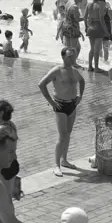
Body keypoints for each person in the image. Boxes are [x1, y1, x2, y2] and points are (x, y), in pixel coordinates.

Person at [37, 48, 85, 177]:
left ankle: (64, 160)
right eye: (70, 56)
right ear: (63, 57)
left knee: (68, 134)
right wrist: (51, 102)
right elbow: (41, 84)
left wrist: (80, 96)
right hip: (60, 105)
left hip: (72, 105)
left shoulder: (74, 71)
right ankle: (56, 165)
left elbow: (82, 81)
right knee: (62, 135)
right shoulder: (56, 71)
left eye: (73, 55)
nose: (72, 58)